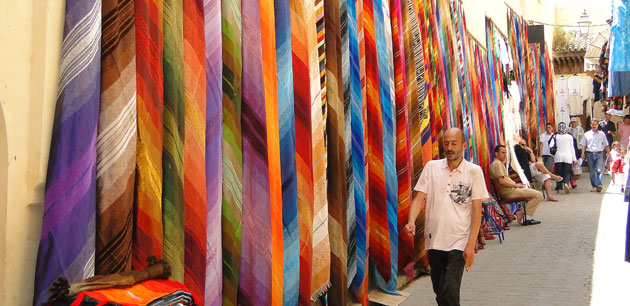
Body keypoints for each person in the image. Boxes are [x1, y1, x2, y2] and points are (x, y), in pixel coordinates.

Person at [405, 128, 488, 306]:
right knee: (440, 291)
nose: (449, 148)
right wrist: (411, 220)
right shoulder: (431, 167)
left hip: (459, 240)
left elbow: (476, 210)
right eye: (447, 143)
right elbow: (419, 197)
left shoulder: (474, 172)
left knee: (450, 288)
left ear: (464, 145)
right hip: (434, 240)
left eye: (454, 143)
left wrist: (471, 244)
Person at [490, 145, 544, 225]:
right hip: (509, 192)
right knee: (538, 195)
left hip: (511, 190)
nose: (505, 154)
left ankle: (521, 212)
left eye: (506, 153)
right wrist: (516, 185)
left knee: (535, 193)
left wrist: (517, 185)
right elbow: (501, 181)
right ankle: (520, 213)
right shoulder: (497, 164)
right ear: (496, 154)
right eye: (502, 152)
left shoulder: (498, 163)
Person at [581, 120, 611, 192]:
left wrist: (609, 154)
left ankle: (599, 184)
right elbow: (584, 145)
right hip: (590, 154)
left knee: (599, 170)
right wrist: (582, 153)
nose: (594, 126)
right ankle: (594, 186)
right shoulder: (586, 134)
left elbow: (606, 145)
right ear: (591, 125)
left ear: (598, 125)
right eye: (593, 124)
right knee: (592, 172)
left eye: (595, 124)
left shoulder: (602, 134)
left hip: (599, 154)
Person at [549, 122, 578, 194]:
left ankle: (559, 188)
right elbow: (572, 148)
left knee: (558, 173)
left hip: (558, 157)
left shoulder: (556, 136)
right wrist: (574, 159)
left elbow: (550, 145)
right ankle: (566, 183)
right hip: (568, 157)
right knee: (567, 172)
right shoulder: (569, 137)